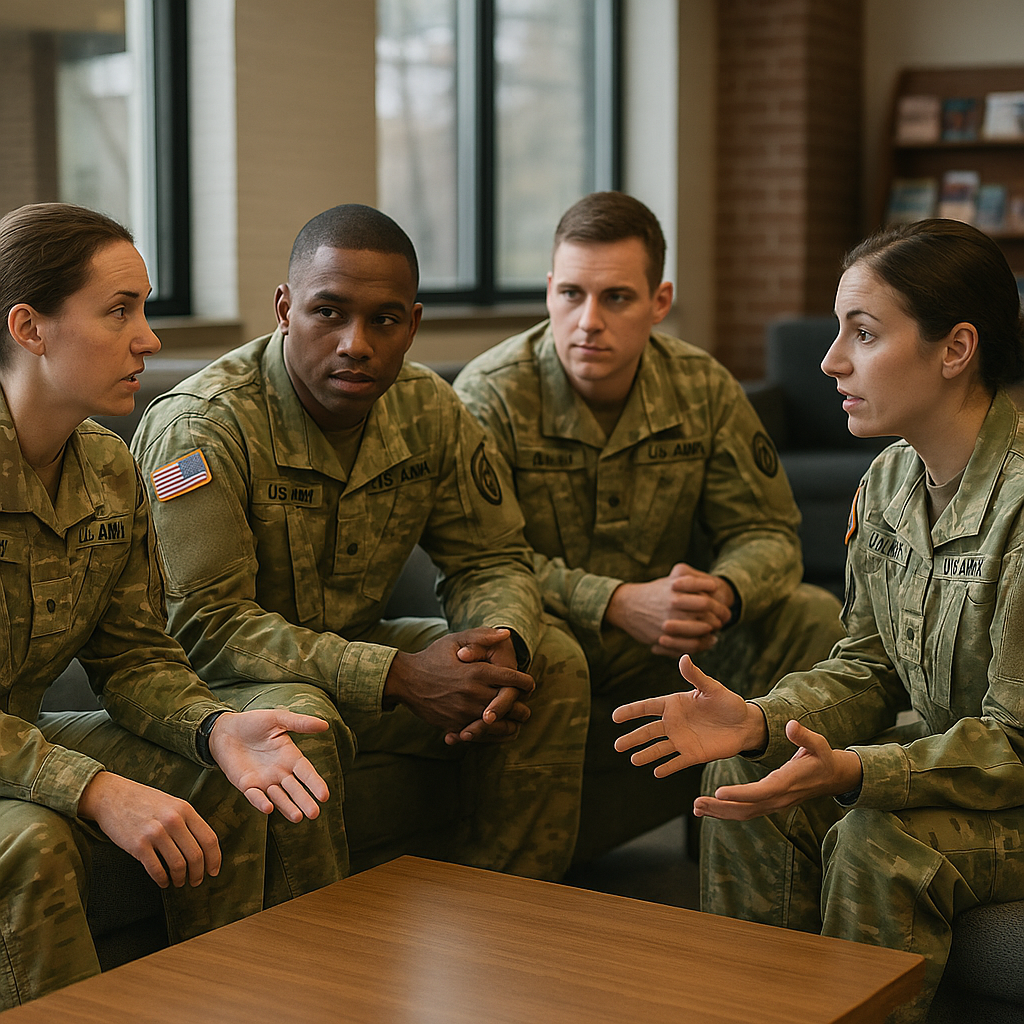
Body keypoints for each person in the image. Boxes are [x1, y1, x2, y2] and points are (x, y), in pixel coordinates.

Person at [613, 217, 1024, 1022]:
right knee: (743, 775)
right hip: (958, 768)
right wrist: (760, 721)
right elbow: (869, 667)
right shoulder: (890, 481)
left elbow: (1015, 746)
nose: (831, 360)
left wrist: (859, 772)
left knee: (879, 841)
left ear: (955, 348)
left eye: (862, 333)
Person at [131, 204, 589, 884]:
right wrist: (400, 675)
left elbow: (490, 558)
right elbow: (207, 628)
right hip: (223, 686)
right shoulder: (204, 426)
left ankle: (508, 908)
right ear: (285, 310)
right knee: (304, 722)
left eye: (384, 320)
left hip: (354, 655)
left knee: (549, 659)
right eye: (329, 312)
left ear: (413, 325)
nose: (356, 343)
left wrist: (499, 644)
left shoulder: (428, 407)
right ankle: (316, 949)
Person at [0, 202, 331, 1008]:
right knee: (33, 844)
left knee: (237, 779)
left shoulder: (109, 466)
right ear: (30, 327)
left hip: (17, 736)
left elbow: (134, 658)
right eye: (119, 311)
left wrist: (215, 728)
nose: (148, 339)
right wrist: (95, 788)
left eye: (144, 308)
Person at [454, 191, 843, 721]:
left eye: (616, 297)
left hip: (678, 640)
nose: (588, 321)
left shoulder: (702, 387)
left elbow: (767, 531)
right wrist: (616, 602)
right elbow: (480, 561)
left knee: (812, 614)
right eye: (571, 294)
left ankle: (743, 776)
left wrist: (722, 593)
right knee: (535, 643)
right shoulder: (491, 394)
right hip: (552, 627)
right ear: (549, 291)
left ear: (660, 302)